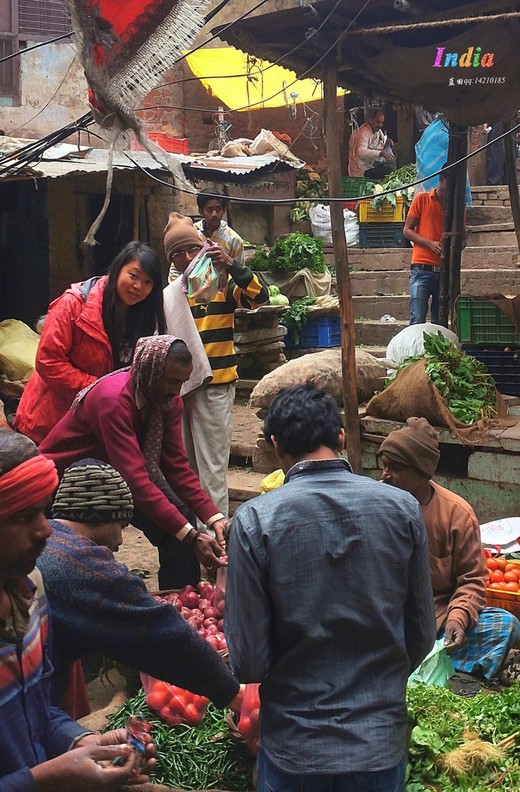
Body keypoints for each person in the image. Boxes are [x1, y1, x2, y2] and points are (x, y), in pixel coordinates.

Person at [225, 385, 435, 791]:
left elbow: (249, 662)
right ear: (340, 436)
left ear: (276, 444)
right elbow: (422, 637)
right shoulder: (403, 509)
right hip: (379, 744)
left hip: (296, 749)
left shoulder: (254, 521)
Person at [0, 428, 155, 791]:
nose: (46, 531)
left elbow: (35, 713)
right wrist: (48, 778)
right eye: (23, 517)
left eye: (43, 511)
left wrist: (79, 741)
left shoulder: (31, 590)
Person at [37, 458, 242, 718]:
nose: (121, 540)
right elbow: (161, 634)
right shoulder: (86, 565)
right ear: (104, 516)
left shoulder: (43, 541)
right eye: (122, 526)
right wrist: (232, 693)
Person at [40, 335, 228, 590]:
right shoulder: (113, 400)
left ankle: (183, 599)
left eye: (182, 383)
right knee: (89, 541)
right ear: (151, 371)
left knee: (180, 517)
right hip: (65, 482)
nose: (176, 391)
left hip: (113, 477)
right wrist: (192, 537)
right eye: (172, 381)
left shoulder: (168, 403)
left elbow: (177, 467)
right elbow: (135, 481)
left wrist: (214, 518)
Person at [379, 417, 520, 686]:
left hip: (437, 620)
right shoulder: (374, 506)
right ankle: (429, 668)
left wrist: (458, 616)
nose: (385, 475)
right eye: (384, 465)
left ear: (422, 472)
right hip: (388, 621)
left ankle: (428, 665)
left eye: (395, 468)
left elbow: (472, 580)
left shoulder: (457, 515)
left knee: (505, 625)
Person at [163, 212, 269, 522]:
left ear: (204, 249)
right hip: (180, 392)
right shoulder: (172, 294)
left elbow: (258, 296)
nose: (186, 258)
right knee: (185, 470)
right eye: (177, 254)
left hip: (216, 387)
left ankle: (215, 544)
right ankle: (195, 541)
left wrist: (231, 265)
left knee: (211, 472)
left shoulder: (221, 285)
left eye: (192, 250)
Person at [15, 241, 166, 444]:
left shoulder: (144, 317)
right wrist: (97, 389)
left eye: (148, 282)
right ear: (117, 269)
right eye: (133, 276)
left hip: (97, 424)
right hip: (49, 422)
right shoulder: (74, 304)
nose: (139, 286)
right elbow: (48, 361)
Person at [403, 168, 447, 325]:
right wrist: (430, 244)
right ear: (442, 180)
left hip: (443, 271)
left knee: (439, 322)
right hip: (421, 269)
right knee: (418, 318)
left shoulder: (456, 207)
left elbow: (461, 239)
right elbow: (407, 231)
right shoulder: (422, 199)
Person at [194, 187, 245, 264]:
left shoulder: (234, 240)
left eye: (218, 209)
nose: (214, 214)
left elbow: (240, 272)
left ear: (224, 210)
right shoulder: (192, 232)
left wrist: (227, 260)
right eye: (209, 209)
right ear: (201, 212)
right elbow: (176, 269)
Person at [348, 107, 396, 178]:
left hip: (371, 166)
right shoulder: (363, 133)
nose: (380, 125)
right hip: (361, 170)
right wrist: (381, 153)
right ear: (371, 120)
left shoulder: (378, 131)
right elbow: (360, 152)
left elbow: (381, 146)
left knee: (390, 167)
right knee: (388, 170)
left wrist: (387, 144)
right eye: (378, 122)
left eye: (382, 123)